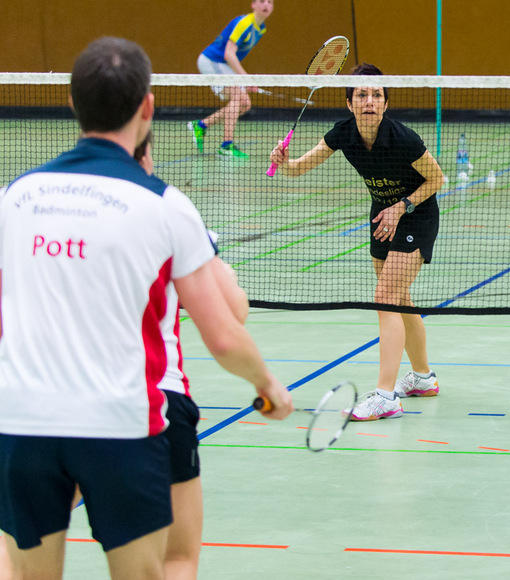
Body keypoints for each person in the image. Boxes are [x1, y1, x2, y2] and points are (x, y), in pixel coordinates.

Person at [0, 37, 293, 579]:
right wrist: (267, 384)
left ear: (72, 103)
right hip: (120, 425)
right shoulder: (163, 205)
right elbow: (223, 331)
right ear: (148, 107)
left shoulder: (16, 196)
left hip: (23, 424)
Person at [270, 63, 444, 421]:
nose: (369, 101)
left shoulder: (403, 138)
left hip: (416, 213)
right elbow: (299, 168)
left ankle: (385, 396)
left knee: (385, 296)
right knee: (399, 299)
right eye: (361, 95)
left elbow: (437, 179)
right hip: (382, 216)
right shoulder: (343, 133)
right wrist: (285, 163)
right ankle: (423, 378)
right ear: (349, 103)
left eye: (377, 95)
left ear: (386, 103)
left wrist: (402, 206)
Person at [135, 131, 251, 580]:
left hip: (45, 407)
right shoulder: (169, 209)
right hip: (154, 402)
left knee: (21, 545)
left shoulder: (23, 197)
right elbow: (232, 315)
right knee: (176, 557)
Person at [188, 0, 275, 159]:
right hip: (212, 61)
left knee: (245, 103)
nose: (266, 5)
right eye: (262, 1)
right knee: (237, 97)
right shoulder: (244, 23)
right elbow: (229, 53)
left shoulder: (261, 28)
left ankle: (201, 125)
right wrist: (246, 79)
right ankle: (226, 146)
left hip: (223, 64)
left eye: (270, 2)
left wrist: (243, 79)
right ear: (253, 4)